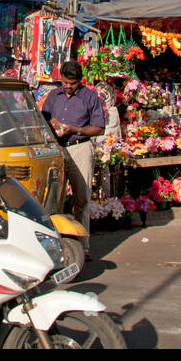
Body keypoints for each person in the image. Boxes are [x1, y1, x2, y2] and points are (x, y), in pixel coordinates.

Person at [42, 61, 104, 258]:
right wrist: (50, 122)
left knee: (81, 198)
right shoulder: (53, 96)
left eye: (73, 83)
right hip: (57, 149)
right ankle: (57, 244)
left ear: (80, 81)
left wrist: (74, 129)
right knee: (55, 198)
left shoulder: (89, 97)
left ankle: (82, 245)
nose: (68, 86)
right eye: (65, 82)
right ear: (60, 78)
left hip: (80, 148)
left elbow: (98, 127)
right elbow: (42, 119)